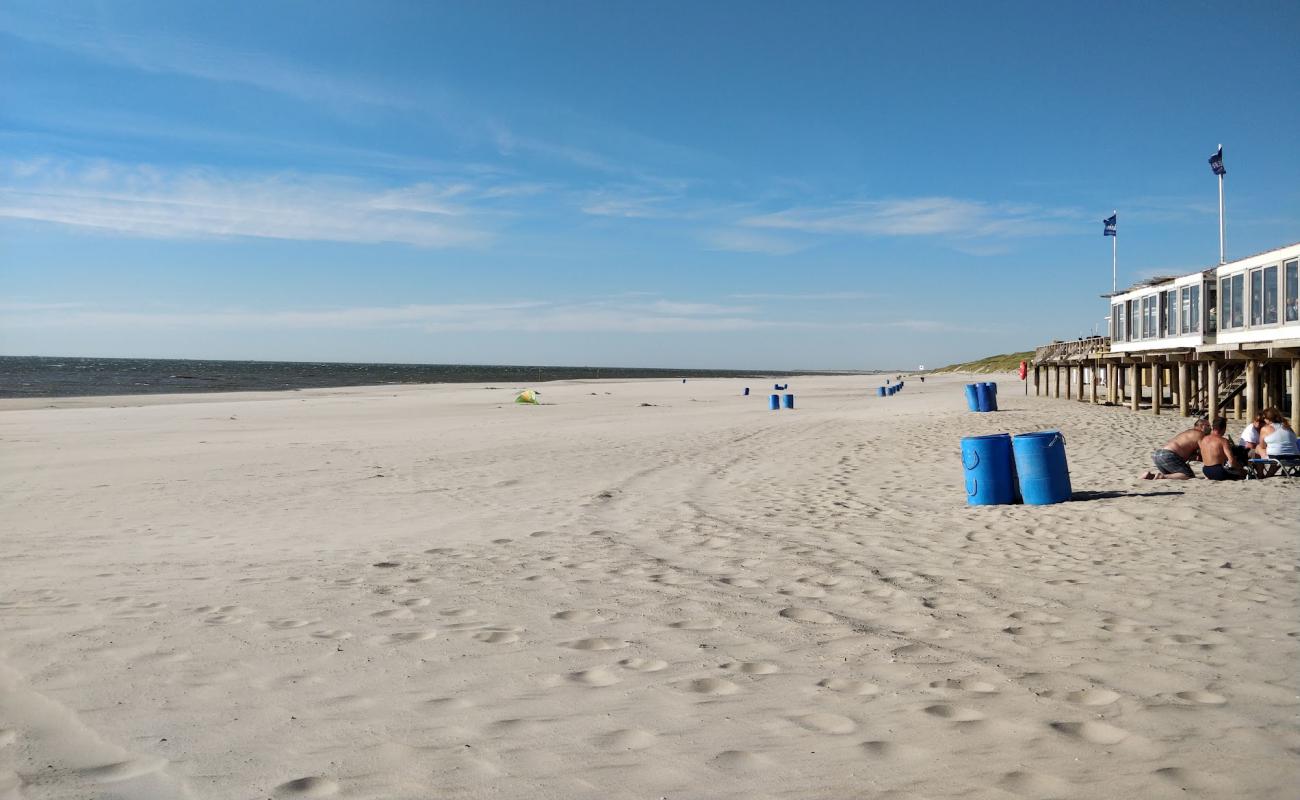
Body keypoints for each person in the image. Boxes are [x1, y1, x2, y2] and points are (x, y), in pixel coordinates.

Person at [1140, 416, 1210, 480]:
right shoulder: (1200, 435)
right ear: (1202, 426)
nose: (1210, 428)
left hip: (1158, 454)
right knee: (1188, 475)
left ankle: (1150, 476)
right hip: (1168, 455)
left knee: (1174, 475)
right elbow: (1204, 452)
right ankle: (1162, 476)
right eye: (1208, 426)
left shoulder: (1188, 432)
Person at [1253, 407, 1299, 478]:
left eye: (1264, 418)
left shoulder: (1265, 429)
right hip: (1294, 457)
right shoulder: (1287, 427)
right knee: (1278, 452)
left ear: (1267, 418)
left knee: (1258, 447)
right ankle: (1269, 475)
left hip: (1277, 457)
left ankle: (1260, 474)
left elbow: (1262, 446)